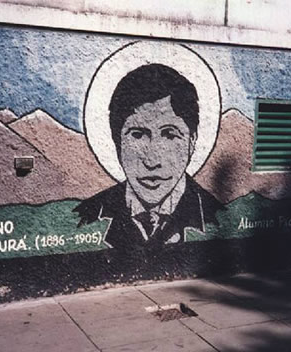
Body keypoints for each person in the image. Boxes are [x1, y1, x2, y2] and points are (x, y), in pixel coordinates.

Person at [74, 64, 224, 250]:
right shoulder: (88, 215)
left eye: (170, 134)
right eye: (137, 135)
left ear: (191, 142)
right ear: (117, 142)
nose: (152, 161)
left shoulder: (216, 216)